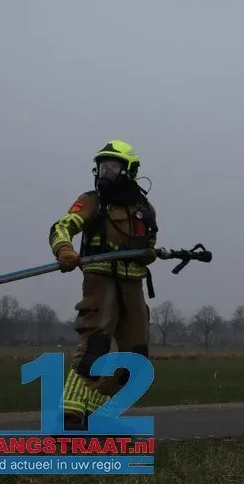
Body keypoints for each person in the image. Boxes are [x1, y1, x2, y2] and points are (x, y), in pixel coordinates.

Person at [48, 140, 159, 430]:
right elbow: (62, 226)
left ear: (129, 170)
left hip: (133, 284)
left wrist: (148, 254)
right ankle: (68, 418)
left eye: (112, 167)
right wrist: (64, 250)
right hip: (101, 281)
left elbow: (148, 244)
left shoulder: (144, 209)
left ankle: (94, 416)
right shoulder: (92, 201)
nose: (104, 173)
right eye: (102, 167)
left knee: (135, 360)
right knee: (94, 348)